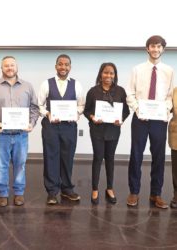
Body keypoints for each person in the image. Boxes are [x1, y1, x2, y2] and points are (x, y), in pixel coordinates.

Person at [0, 56, 39, 207]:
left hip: (21, 135)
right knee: (1, 166)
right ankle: (2, 193)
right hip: (1, 135)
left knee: (20, 164)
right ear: (1, 68)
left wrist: (32, 123)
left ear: (16, 67)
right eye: (6, 65)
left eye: (12, 65)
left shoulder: (28, 86)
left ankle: (19, 193)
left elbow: (34, 108)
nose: (9, 68)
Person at [126, 35, 174, 209]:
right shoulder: (137, 69)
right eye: (152, 46)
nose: (155, 49)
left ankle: (156, 194)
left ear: (163, 49)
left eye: (159, 46)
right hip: (141, 119)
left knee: (159, 157)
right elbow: (130, 93)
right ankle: (134, 192)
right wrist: (139, 111)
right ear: (147, 48)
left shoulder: (169, 71)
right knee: (136, 155)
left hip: (159, 120)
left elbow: (169, 97)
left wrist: (165, 110)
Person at [38, 54, 85, 205]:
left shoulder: (76, 85)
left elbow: (81, 105)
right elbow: (39, 105)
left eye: (66, 64)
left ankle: (67, 189)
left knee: (67, 157)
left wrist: (76, 113)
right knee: (51, 157)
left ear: (70, 67)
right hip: (51, 126)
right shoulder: (46, 84)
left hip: (69, 127)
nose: (63, 67)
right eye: (60, 64)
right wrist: (48, 113)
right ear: (56, 66)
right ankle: (52, 191)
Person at [84, 62, 129, 204]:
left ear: (115, 75)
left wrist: (120, 119)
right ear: (100, 74)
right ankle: (95, 189)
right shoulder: (93, 91)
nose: (108, 75)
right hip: (97, 130)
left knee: (110, 158)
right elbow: (86, 110)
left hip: (113, 130)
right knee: (98, 158)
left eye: (111, 73)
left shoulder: (120, 91)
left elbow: (126, 110)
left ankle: (110, 188)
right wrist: (92, 117)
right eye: (105, 72)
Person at [168, 87, 177, 208]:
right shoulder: (175, 91)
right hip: (176, 135)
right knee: (176, 167)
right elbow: (166, 107)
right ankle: (176, 195)